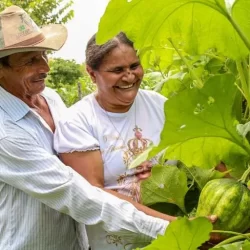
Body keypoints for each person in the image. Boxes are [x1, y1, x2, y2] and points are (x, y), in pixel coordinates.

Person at [0, 5, 186, 250]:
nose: (45, 67)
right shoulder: (4, 132)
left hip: (75, 243)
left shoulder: (51, 99)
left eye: (44, 55)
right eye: (30, 60)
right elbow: (75, 191)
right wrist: (172, 229)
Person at [53, 32, 216, 249]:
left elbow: (201, 153)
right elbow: (94, 194)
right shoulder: (77, 122)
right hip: (116, 243)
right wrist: (179, 227)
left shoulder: (159, 105)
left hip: (174, 242)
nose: (129, 77)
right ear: (92, 74)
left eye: (134, 66)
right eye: (117, 70)